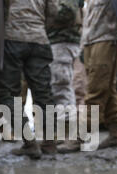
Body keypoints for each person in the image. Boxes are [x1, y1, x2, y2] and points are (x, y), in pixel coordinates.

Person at [58, 0, 117, 153]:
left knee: (96, 91)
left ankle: (79, 136)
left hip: (106, 38)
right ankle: (116, 134)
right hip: (91, 40)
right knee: (108, 89)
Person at [0, 0, 57, 159]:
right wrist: (38, 27)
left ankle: (30, 143)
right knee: (43, 93)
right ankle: (49, 144)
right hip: (39, 39)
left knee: (7, 92)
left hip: (12, 36)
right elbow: (54, 12)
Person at [47, 0, 84, 130]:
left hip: (62, 42)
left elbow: (68, 12)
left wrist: (43, 16)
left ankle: (68, 131)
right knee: (60, 86)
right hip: (59, 41)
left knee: (60, 86)